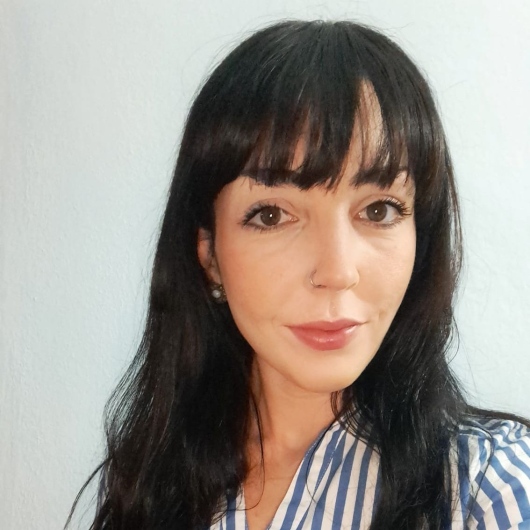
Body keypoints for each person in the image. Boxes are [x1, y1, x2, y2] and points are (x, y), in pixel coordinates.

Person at [69, 20, 530, 529]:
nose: (337, 272)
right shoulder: (152, 478)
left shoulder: (490, 490)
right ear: (209, 255)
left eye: (379, 210)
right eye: (271, 215)